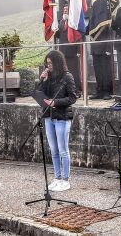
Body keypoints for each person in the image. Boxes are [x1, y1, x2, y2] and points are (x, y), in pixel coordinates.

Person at [39, 50, 77, 192]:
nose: (48, 66)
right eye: (47, 63)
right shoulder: (49, 76)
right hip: (49, 116)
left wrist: (56, 102)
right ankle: (57, 178)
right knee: (54, 150)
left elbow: (72, 98)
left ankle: (65, 180)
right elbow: (42, 94)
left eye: (50, 63)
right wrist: (43, 80)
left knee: (63, 150)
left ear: (57, 62)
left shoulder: (67, 77)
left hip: (62, 117)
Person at [89, 28, 113, 100]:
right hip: (95, 49)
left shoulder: (105, 17)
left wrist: (109, 48)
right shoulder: (92, 18)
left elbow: (110, 34)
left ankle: (107, 91)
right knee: (97, 72)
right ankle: (99, 91)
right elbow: (89, 31)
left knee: (106, 72)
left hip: (104, 49)